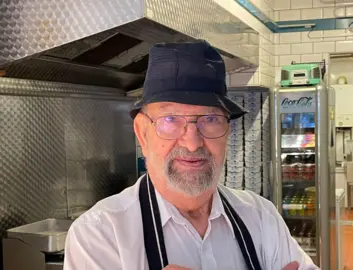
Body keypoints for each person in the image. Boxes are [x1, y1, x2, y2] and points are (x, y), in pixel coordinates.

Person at [63, 40, 319, 270]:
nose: (193, 142)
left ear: (227, 131)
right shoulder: (100, 234)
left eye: (210, 119)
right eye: (170, 119)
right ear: (142, 133)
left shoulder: (261, 217)